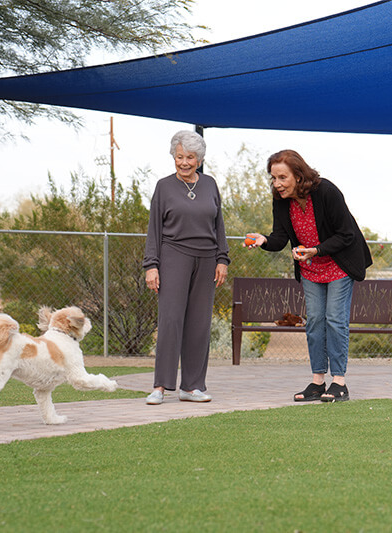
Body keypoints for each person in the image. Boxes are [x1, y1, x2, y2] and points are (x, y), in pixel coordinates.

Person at [246, 149, 372, 402]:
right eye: (273, 178)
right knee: (314, 321)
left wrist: (316, 249)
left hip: (339, 263)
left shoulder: (326, 191)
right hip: (311, 268)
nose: (277, 184)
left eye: (282, 177)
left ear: (298, 175)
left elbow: (347, 234)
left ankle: (339, 383)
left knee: (334, 320)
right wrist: (264, 240)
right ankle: (317, 382)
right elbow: (280, 238)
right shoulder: (281, 200)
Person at [143, 130, 229, 405]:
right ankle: (160, 386)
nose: (184, 162)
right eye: (179, 157)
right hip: (173, 255)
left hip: (207, 259)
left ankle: (192, 387)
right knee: (170, 320)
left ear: (199, 159)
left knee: (199, 324)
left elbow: (219, 226)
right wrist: (151, 265)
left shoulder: (210, 185)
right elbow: (153, 229)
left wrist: (222, 259)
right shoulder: (164, 186)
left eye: (190, 157)